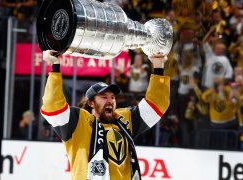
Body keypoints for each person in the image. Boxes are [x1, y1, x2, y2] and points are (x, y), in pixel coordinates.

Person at [40, 50, 170, 180]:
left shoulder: (124, 119)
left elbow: (156, 105)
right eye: (104, 97)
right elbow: (53, 106)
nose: (110, 101)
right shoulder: (78, 122)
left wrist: (158, 66)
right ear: (91, 102)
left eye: (113, 97)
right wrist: (55, 66)